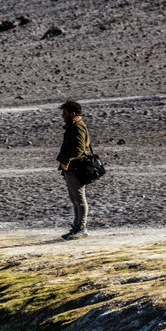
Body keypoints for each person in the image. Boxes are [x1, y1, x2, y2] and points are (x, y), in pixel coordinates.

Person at [57, 100, 91, 240]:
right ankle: (77, 227)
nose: (63, 116)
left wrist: (66, 160)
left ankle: (81, 228)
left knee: (79, 199)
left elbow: (79, 149)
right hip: (71, 168)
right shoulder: (73, 126)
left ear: (72, 113)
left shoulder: (77, 127)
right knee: (75, 199)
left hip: (76, 168)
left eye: (64, 113)